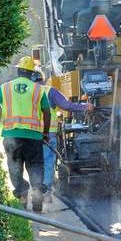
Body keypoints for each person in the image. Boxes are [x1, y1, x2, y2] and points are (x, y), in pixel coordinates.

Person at [0, 57, 51, 212]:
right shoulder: (38, 90)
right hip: (34, 136)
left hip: (12, 136)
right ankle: (36, 191)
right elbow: (47, 112)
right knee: (35, 165)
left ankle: (22, 195)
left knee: (15, 167)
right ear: (31, 73)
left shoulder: (6, 88)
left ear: (18, 71)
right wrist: (45, 133)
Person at [31, 71, 93, 202]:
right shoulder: (49, 91)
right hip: (47, 134)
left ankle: (35, 190)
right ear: (42, 79)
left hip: (29, 134)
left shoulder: (26, 93)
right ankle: (45, 193)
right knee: (47, 162)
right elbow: (66, 106)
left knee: (34, 163)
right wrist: (85, 106)